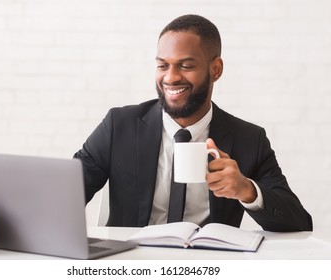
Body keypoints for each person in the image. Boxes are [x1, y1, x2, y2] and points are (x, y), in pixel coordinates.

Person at [74, 14, 312, 232]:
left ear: (215, 69)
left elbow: (299, 223)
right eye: (162, 65)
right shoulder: (120, 126)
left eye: (186, 66)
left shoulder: (249, 139)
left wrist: (247, 190)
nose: (170, 77)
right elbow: (67, 195)